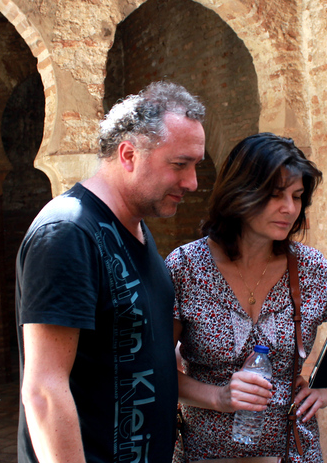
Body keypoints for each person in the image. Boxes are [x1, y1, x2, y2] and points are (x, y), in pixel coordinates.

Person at [15, 81, 206, 463]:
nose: (192, 183)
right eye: (180, 165)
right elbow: (44, 390)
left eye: (195, 166)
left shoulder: (135, 229)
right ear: (129, 154)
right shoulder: (69, 233)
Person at [166, 133, 327, 462]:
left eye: (297, 197)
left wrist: (326, 386)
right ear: (239, 192)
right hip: (205, 454)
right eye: (275, 194)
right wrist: (220, 397)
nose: (289, 208)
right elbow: (157, 371)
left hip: (291, 451)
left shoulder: (311, 269)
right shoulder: (186, 267)